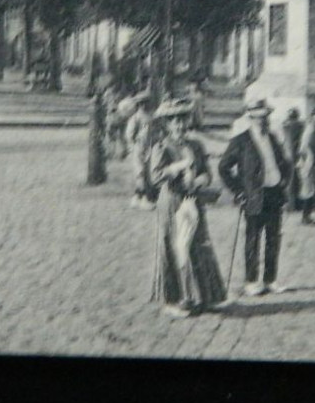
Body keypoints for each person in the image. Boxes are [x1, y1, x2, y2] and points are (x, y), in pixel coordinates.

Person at [148, 97, 227, 318]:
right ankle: (175, 299)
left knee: (199, 245)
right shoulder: (161, 147)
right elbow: (155, 177)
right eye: (174, 121)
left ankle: (205, 296)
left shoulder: (196, 145)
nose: (180, 126)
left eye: (182, 120)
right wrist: (177, 167)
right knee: (175, 247)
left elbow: (207, 173)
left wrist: (201, 180)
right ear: (167, 124)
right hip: (172, 202)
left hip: (193, 201)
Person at [217, 98, 293, 296]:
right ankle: (251, 281)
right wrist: (239, 191)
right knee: (252, 239)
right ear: (250, 118)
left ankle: (270, 280)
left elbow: (284, 162)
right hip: (253, 196)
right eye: (259, 118)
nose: (263, 121)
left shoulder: (273, 138)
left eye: (265, 117)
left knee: (273, 239)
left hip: (274, 193)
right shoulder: (241, 141)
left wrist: (284, 179)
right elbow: (223, 167)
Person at [123, 92, 157, 210]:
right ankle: (142, 198)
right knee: (140, 172)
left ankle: (141, 196)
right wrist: (134, 143)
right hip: (139, 148)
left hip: (150, 147)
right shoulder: (136, 118)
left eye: (146, 103)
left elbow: (156, 130)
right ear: (139, 105)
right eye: (142, 104)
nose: (144, 106)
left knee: (149, 172)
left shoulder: (152, 116)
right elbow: (129, 134)